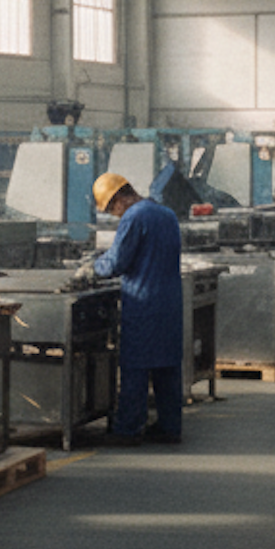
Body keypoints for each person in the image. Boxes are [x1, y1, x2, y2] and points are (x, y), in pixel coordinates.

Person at [92, 171, 184, 446]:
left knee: (136, 367)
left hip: (144, 303)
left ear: (119, 198)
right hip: (169, 303)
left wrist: (94, 266)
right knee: (167, 367)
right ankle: (170, 427)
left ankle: (128, 430)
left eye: (111, 208)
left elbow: (117, 262)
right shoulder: (166, 214)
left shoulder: (134, 217)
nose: (113, 214)